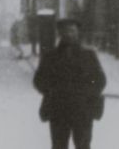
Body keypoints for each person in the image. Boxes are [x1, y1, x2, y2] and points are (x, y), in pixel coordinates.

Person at [33, 18, 106, 149]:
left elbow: (100, 80)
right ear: (59, 33)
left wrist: (87, 93)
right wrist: (52, 91)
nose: (68, 34)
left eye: (72, 30)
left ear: (78, 32)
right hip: (58, 110)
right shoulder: (51, 56)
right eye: (65, 31)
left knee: (83, 145)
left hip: (82, 111)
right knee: (59, 146)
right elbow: (39, 80)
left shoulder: (88, 55)